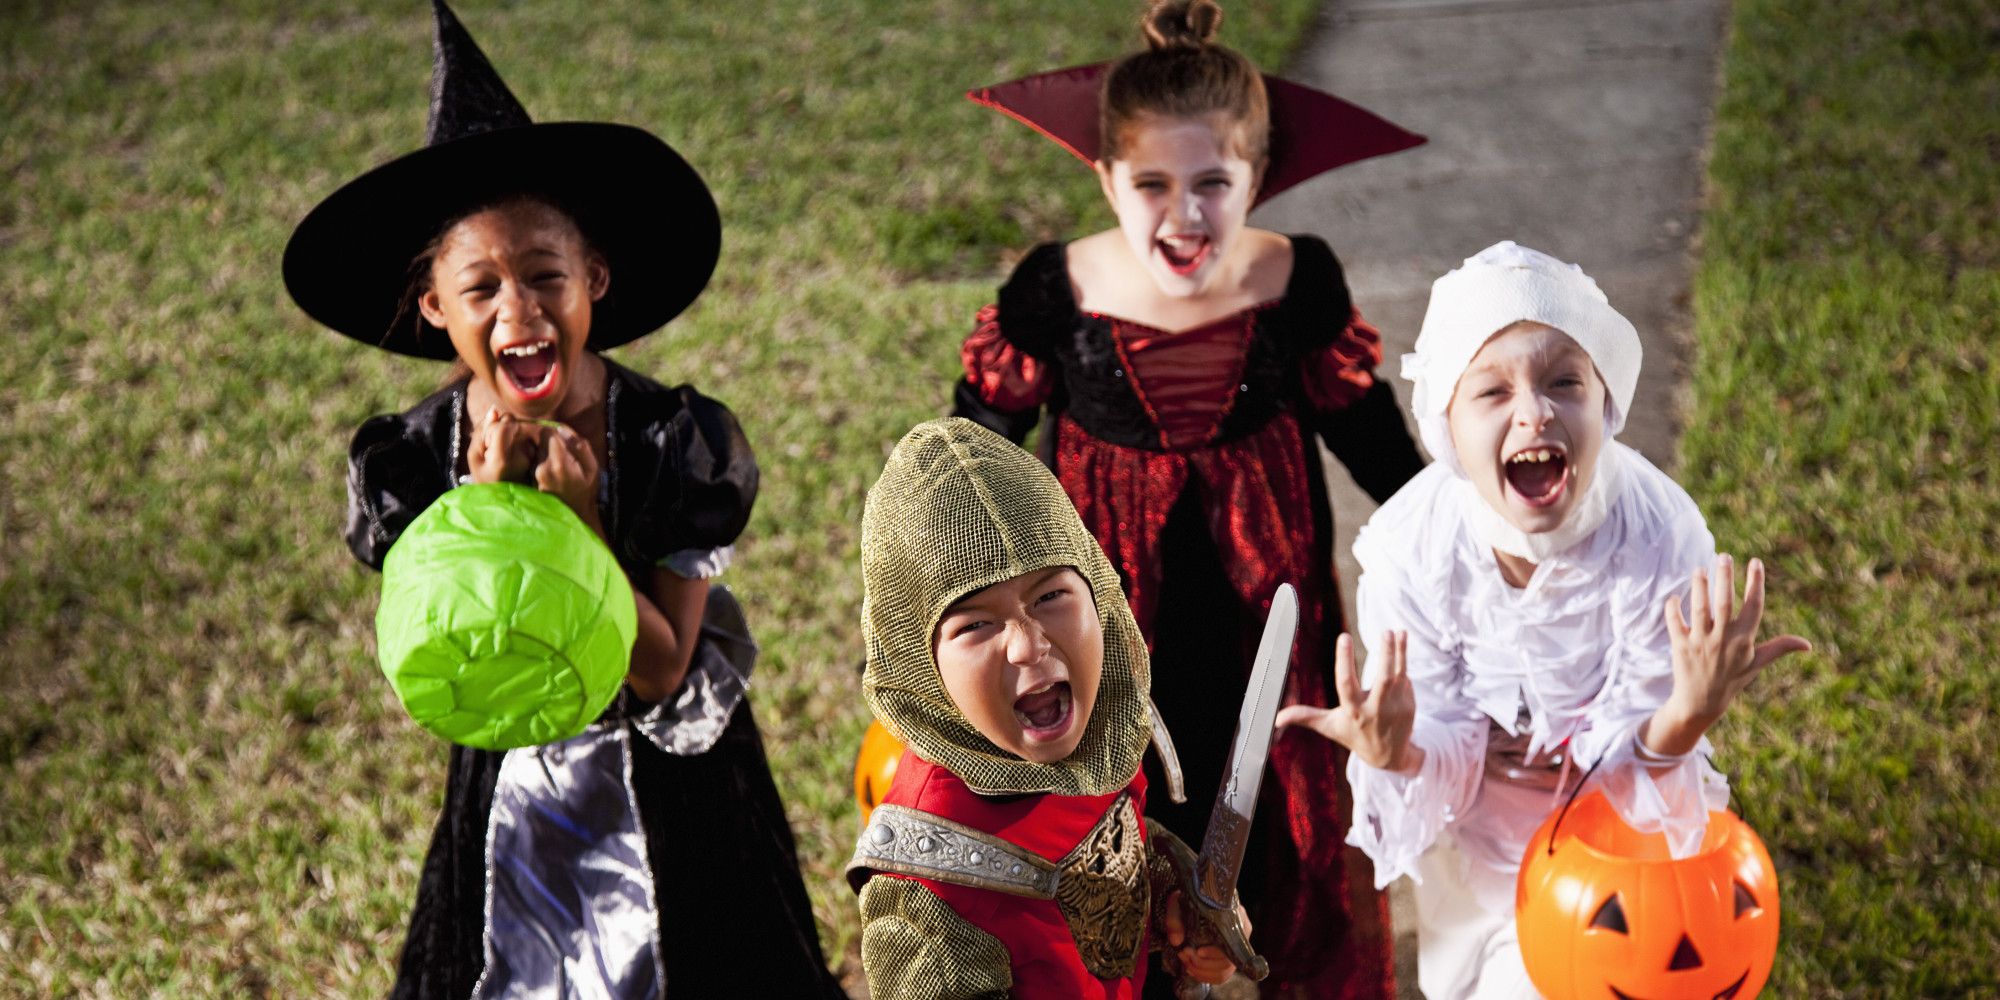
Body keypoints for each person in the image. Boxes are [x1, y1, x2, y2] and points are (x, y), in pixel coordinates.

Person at [282, 3, 841, 997]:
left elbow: (663, 674)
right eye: (482, 287)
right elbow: (444, 659)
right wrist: (486, 519)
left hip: (669, 794)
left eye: (546, 275)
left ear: (595, 279)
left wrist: (574, 529)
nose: (520, 310)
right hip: (512, 788)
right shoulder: (418, 460)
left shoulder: (676, 445)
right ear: (435, 307)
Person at [950, 1, 1421, 993]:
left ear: (1256, 176)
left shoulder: (1294, 285)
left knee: (1262, 806)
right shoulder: (1057, 292)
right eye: (1151, 184)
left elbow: (1367, 433)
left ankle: (1271, 959)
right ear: (1103, 176)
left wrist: (1460, 530)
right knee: (1124, 814)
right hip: (1107, 619)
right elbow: (974, 453)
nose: (1184, 215)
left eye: (1214, 183)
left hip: (1263, 611)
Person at [1276, 241, 1812, 999]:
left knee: (1621, 972)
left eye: (1565, 381)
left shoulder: (1658, 531)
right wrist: (1399, 754)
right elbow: (1442, 738)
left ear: (1607, 403)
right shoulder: (1411, 548)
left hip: (1625, 834)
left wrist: (1687, 715)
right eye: (1492, 393)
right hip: (1481, 832)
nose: (1534, 410)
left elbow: (1643, 737)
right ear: (1447, 429)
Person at [847, 417, 1251, 999]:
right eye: (976, 623)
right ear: (920, 664)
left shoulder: (1099, 726)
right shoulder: (929, 895)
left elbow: (1106, 848)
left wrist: (1179, 906)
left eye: (1052, 595)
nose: (1029, 643)